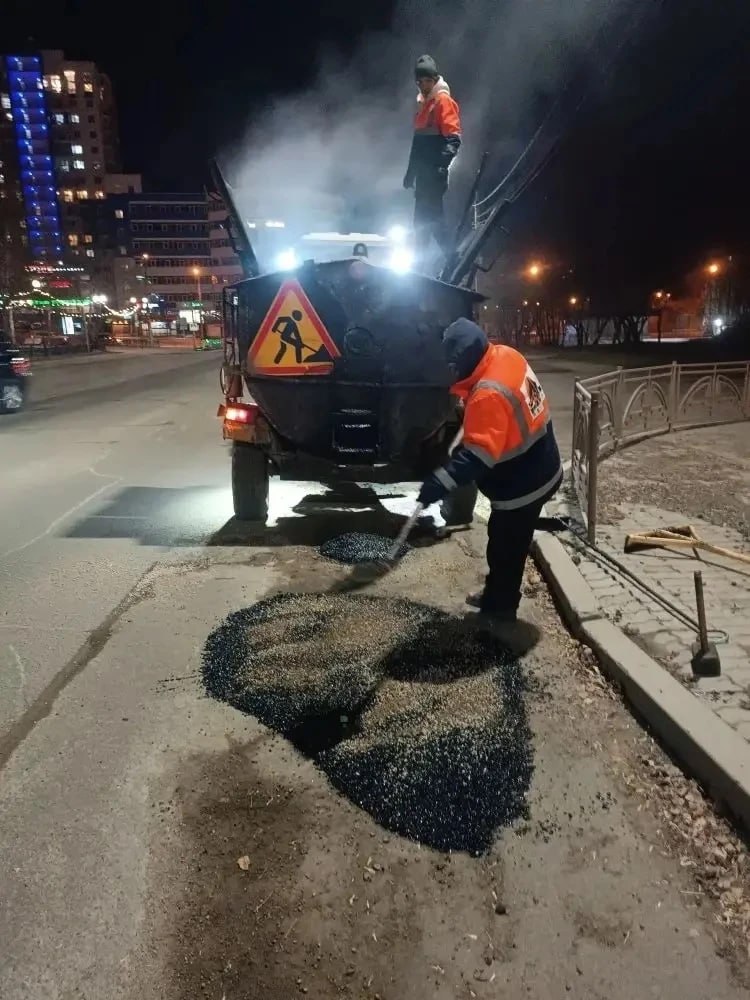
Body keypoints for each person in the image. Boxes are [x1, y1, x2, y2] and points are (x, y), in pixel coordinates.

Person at [418, 318, 563, 621]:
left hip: (523, 483)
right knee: (512, 542)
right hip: (543, 461)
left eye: (453, 366)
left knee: (505, 546)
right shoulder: (506, 355)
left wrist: (439, 482)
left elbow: (477, 459)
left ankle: (499, 609)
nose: (450, 371)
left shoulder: (488, 394)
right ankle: (499, 594)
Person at [403, 54, 461, 263]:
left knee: (432, 221)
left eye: (426, 80)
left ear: (434, 79)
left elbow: (454, 139)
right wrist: (410, 174)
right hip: (423, 177)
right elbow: (417, 146)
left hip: (433, 176)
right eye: (419, 81)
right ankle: (424, 266)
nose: (422, 85)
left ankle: (453, 258)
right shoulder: (424, 107)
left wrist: (441, 165)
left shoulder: (442, 102)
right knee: (422, 223)